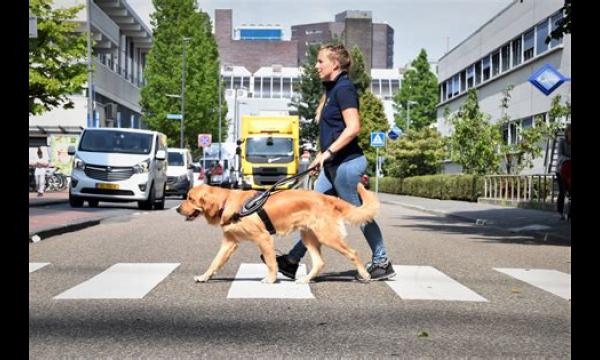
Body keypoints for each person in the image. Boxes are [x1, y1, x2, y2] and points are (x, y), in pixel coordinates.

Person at [267, 43, 396, 281]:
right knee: (311, 213)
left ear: (334, 64)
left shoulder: (344, 89)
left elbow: (353, 128)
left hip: (347, 165)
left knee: (360, 214)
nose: (316, 66)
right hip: (332, 166)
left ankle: (382, 261)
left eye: (320, 61)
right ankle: (292, 260)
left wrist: (327, 153)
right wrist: (322, 156)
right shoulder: (332, 89)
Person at [556, 124, 571, 220]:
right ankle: (560, 212)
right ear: (567, 133)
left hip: (571, 170)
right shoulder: (561, 142)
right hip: (561, 169)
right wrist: (569, 159)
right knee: (562, 191)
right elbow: (560, 155)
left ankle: (570, 214)